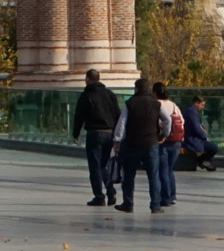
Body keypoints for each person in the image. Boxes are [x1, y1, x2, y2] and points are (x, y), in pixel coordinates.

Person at [110, 77, 171, 214]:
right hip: (151, 143)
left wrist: (117, 140)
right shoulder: (156, 104)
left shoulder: (130, 103)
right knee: (153, 175)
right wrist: (163, 134)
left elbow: (122, 123)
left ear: (136, 89)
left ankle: (128, 203)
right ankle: (155, 205)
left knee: (129, 176)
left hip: (132, 143)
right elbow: (167, 119)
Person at [72, 68, 121, 206]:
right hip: (109, 133)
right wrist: (117, 134)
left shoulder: (86, 95)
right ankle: (111, 192)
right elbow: (118, 114)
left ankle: (99, 196)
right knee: (104, 165)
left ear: (87, 79)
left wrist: (75, 133)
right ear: (99, 79)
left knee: (95, 166)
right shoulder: (109, 94)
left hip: (94, 133)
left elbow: (79, 116)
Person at [154, 83, 184, 207]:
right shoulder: (173, 105)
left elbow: (161, 121)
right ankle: (172, 196)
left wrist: (163, 134)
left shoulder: (157, 105)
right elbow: (182, 121)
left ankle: (165, 198)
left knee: (163, 170)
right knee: (170, 170)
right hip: (176, 141)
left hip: (163, 141)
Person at [181, 94, 219, 171]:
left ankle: (203, 161)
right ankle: (201, 160)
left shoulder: (189, 110)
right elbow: (196, 127)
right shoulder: (191, 112)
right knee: (214, 148)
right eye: (202, 105)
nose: (202, 107)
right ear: (196, 103)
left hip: (193, 137)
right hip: (192, 139)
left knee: (211, 146)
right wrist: (204, 137)